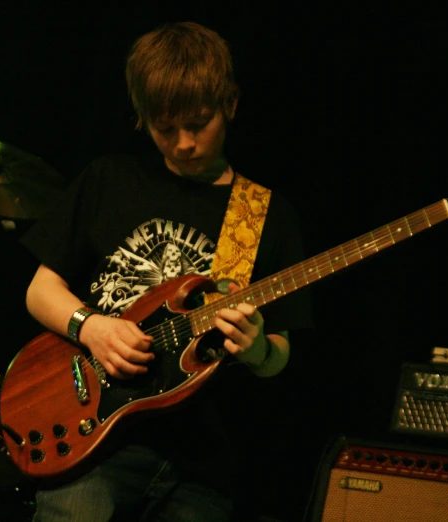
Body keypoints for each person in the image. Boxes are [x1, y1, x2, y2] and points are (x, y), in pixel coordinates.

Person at [18, 20, 313, 522]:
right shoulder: (110, 179)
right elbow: (40, 289)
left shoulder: (265, 214)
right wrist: (91, 327)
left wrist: (258, 347)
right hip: (94, 443)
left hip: (203, 467)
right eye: (163, 127)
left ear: (231, 105)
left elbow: (280, 354)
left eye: (198, 124)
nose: (182, 144)